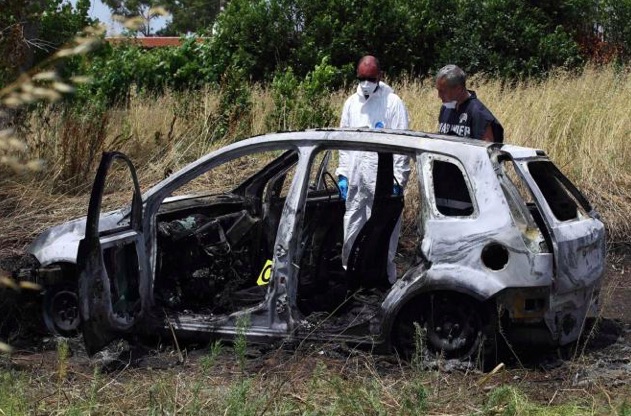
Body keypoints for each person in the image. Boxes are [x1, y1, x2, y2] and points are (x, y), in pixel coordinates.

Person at [335, 55, 410, 284]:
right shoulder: (351, 103)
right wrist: (343, 174)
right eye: (361, 78)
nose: (365, 82)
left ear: (380, 75)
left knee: (384, 235)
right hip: (357, 180)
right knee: (353, 228)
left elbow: (402, 147)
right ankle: (351, 277)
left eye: (370, 78)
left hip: (383, 183)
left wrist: (399, 181)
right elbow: (343, 143)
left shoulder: (392, 103)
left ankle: (384, 281)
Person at [435, 64, 504, 143]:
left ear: (459, 89)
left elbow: (487, 151)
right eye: (438, 90)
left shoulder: (479, 114)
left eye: (443, 91)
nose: (439, 96)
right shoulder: (445, 109)